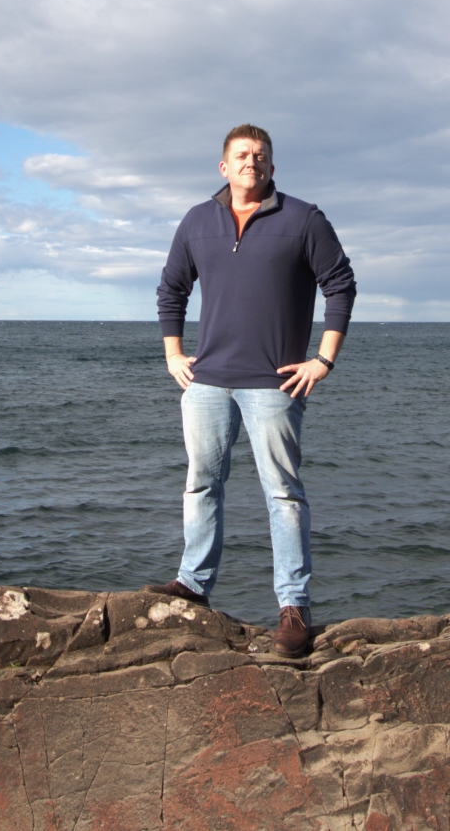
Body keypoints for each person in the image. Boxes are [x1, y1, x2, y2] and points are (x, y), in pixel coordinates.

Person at [147, 123, 356, 658]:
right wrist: (173, 352)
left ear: (271, 166)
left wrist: (324, 359)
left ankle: (293, 606)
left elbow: (341, 283)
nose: (251, 162)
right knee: (201, 484)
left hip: (274, 383)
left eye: (260, 155)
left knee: (283, 493)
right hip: (207, 381)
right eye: (241, 155)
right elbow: (171, 288)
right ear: (224, 166)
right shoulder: (198, 221)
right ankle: (193, 585)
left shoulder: (303, 218)